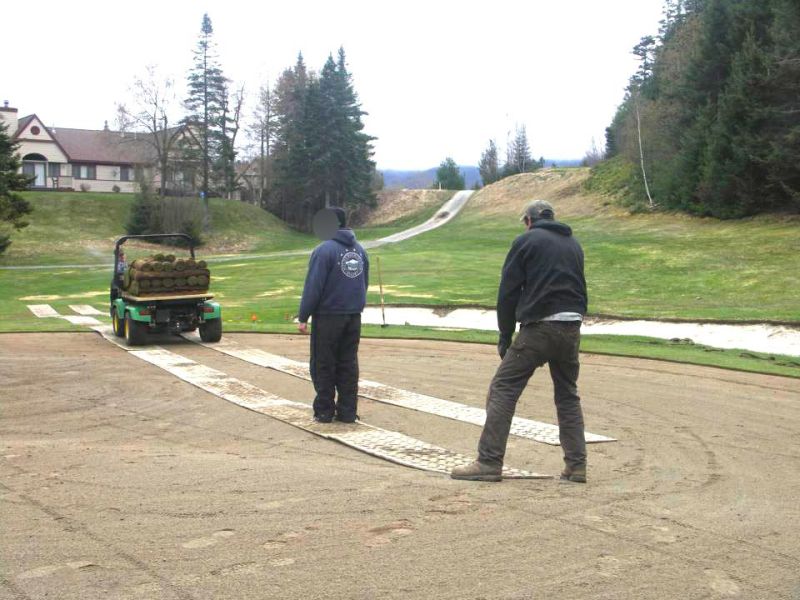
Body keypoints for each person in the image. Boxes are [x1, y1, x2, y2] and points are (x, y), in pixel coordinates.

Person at [451, 199, 589, 483]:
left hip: (539, 327)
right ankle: (576, 465)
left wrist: (504, 335)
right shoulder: (573, 244)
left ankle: (489, 461)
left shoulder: (526, 242)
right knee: (567, 394)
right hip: (572, 327)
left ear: (529, 220)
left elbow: (508, 293)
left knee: (503, 388)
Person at [298, 207, 369, 423]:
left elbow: (314, 287)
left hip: (328, 316)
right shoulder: (360, 251)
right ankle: (347, 411)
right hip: (353, 316)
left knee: (323, 363)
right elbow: (364, 284)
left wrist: (303, 316)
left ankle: (324, 410)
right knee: (348, 364)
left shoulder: (324, 251)